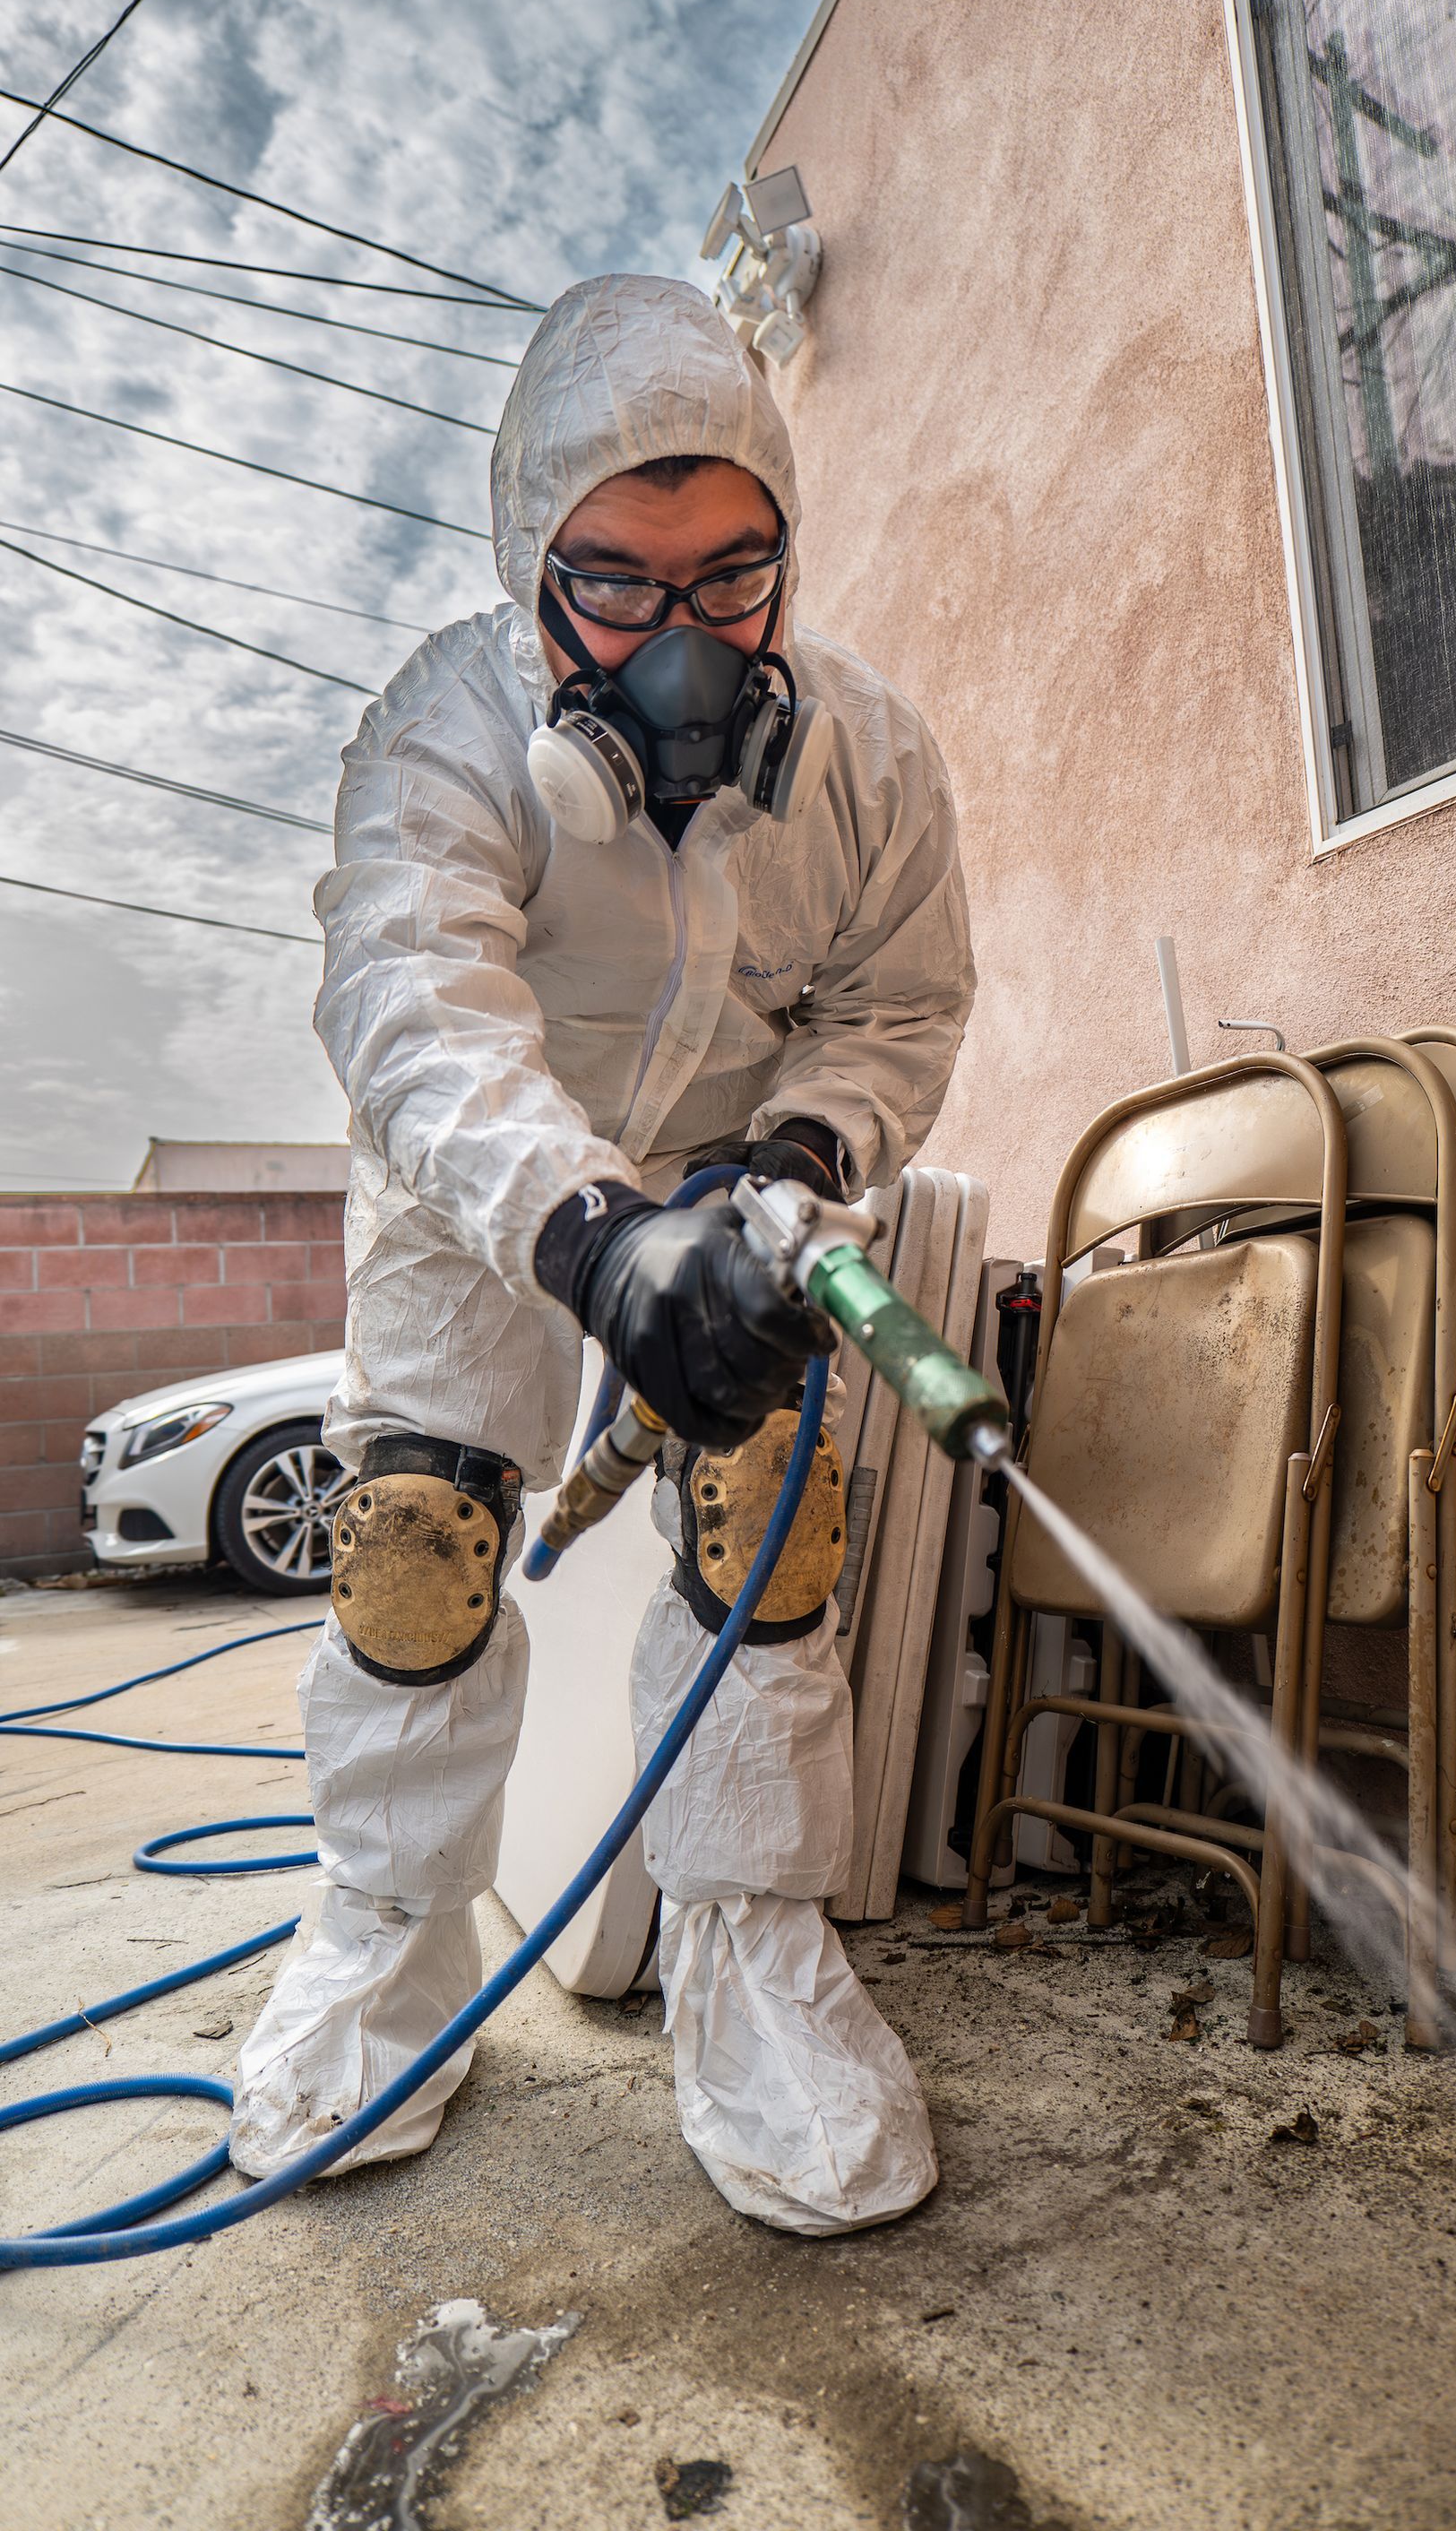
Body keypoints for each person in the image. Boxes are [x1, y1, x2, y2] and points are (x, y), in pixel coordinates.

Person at [228, 273, 975, 2235]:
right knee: (415, 1541)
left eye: (733, 580)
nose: (681, 641)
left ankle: (750, 1942)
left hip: (738, 1171)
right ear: (528, 560)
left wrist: (794, 1174)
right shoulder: (442, 730)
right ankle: (393, 1946)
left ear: (788, 555)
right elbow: (415, 1008)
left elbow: (896, 1009)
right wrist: (587, 1235)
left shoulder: (873, 756)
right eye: (616, 584)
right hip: (489, 1192)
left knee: (766, 1531)